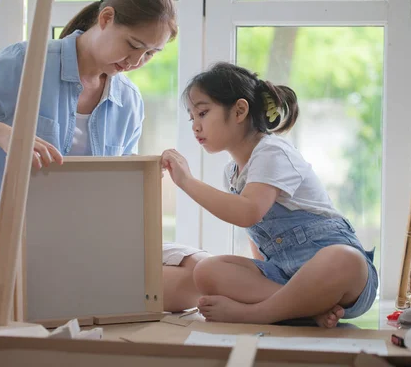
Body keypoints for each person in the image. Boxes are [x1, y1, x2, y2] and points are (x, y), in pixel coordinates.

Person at [0, 0, 208, 315]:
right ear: (105, 19)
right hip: (2, 243)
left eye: (150, 53)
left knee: (201, 272)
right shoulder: (28, 60)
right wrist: (3, 134)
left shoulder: (129, 100)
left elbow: (116, 192)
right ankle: (96, 293)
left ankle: (64, 293)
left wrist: (146, 175)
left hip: (86, 246)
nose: (136, 61)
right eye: (133, 44)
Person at [161, 62, 378, 327]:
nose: (195, 126)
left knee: (346, 259)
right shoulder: (232, 172)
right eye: (192, 118)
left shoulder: (272, 151)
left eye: (203, 113)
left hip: (339, 281)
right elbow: (259, 239)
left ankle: (258, 314)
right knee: (206, 270)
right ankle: (305, 308)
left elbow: (248, 212)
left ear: (240, 110)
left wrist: (186, 181)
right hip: (283, 277)